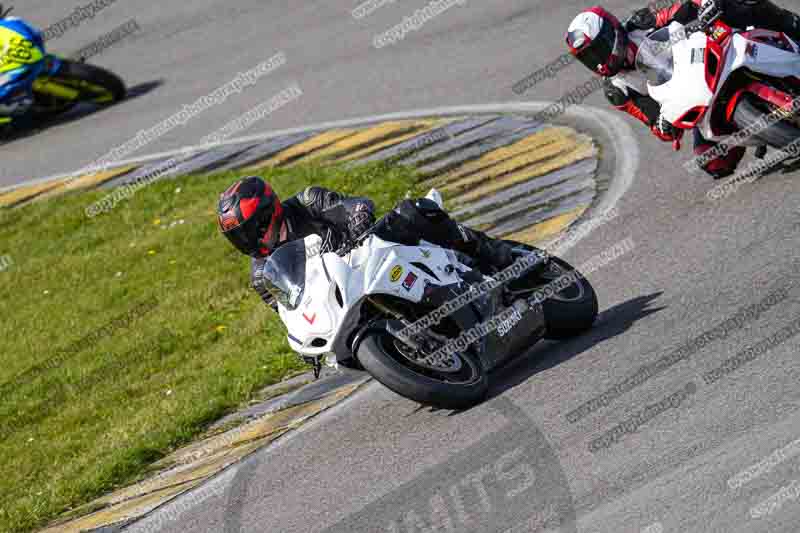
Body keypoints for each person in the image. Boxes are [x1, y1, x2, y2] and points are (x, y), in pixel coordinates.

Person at [565, 0, 800, 178]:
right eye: (588, 58)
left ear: (612, 33)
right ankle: (759, 129)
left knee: (734, 5)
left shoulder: (641, 22)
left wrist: (705, 5)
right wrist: (664, 127)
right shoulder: (617, 90)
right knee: (713, 163)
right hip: (694, 97)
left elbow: (684, 5)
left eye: (598, 50)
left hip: (707, 53)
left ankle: (792, 26)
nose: (599, 60)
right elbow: (654, 123)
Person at [215, 176, 517, 309]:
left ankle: (497, 255)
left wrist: (358, 217)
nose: (248, 241)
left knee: (412, 212)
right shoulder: (261, 276)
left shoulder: (308, 201)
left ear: (269, 212)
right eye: (238, 237)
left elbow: (356, 204)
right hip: (344, 296)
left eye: (250, 230)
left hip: (372, 253)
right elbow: (289, 310)